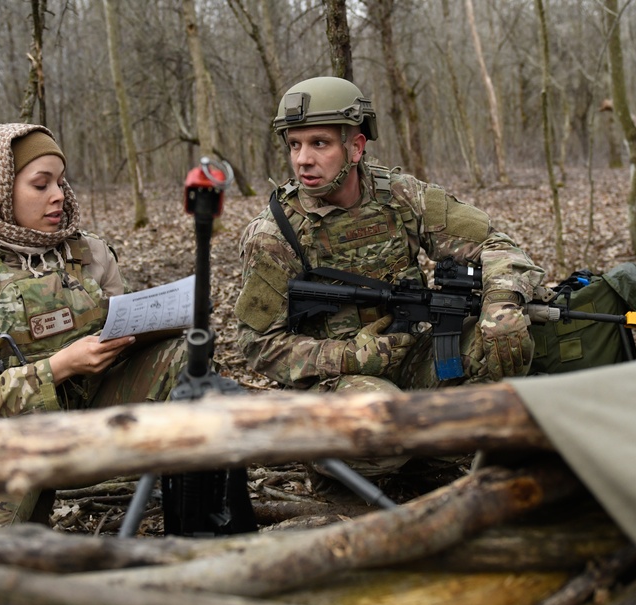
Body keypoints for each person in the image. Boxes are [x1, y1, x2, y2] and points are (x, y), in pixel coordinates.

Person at [234, 77, 545, 494]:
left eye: (319, 144)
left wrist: (501, 303)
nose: (303, 160)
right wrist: (350, 357)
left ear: (356, 147)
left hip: (416, 353)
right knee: (386, 421)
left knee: (507, 343)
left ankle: (433, 467)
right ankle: (351, 478)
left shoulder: (400, 197)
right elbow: (257, 344)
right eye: (295, 145)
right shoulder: (274, 235)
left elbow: (497, 243)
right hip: (339, 382)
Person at [0, 123, 186, 532]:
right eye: (40, 184)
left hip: (92, 428)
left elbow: (128, 337)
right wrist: (58, 367)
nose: (59, 196)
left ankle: (197, 525)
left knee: (189, 360)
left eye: (61, 182)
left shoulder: (89, 253)